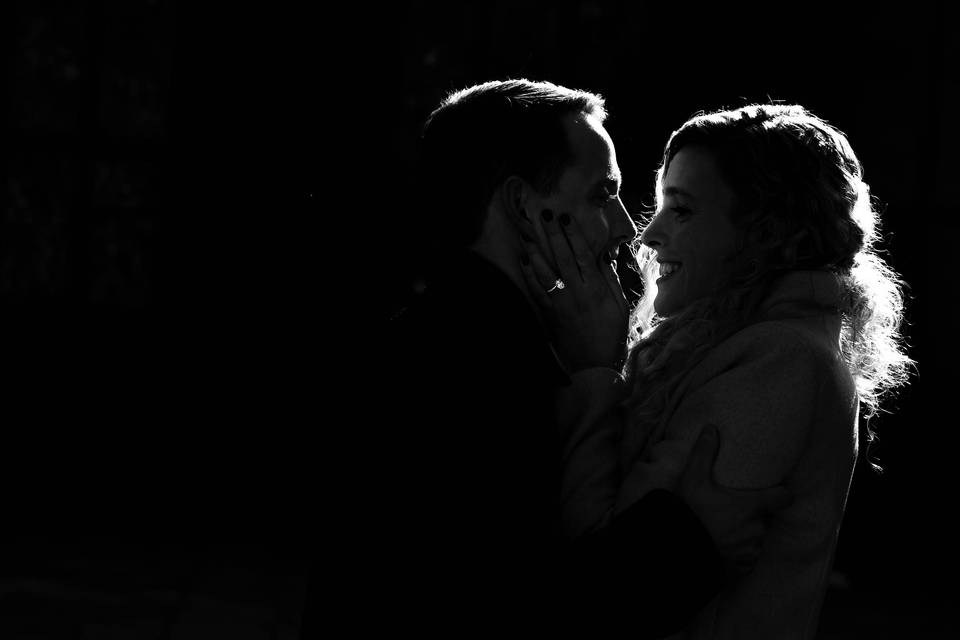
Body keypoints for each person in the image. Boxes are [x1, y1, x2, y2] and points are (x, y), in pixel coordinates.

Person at [340, 80, 789, 638]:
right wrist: (696, 541)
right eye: (602, 195)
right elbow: (524, 608)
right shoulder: (467, 368)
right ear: (524, 208)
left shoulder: (471, 337)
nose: (630, 230)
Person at [524, 103, 913, 639]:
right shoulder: (739, 345)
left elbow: (613, 571)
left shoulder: (779, 361)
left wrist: (592, 370)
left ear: (765, 231)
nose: (648, 234)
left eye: (681, 210)